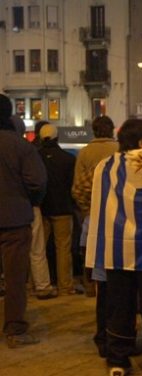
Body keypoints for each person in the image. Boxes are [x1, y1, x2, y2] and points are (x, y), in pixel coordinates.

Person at [85, 119, 142, 376]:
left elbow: (97, 206)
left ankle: (118, 359)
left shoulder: (105, 166)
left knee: (118, 305)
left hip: (116, 248)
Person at [0, 93, 47, 348]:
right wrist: (28, 200)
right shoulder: (20, 146)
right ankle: (15, 329)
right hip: (14, 220)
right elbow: (38, 182)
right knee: (16, 278)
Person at [72, 115, 119, 356]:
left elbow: (78, 188)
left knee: (97, 270)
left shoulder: (85, 153)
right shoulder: (120, 151)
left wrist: (88, 210)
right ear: (112, 130)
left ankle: (92, 291)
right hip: (120, 220)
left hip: (94, 218)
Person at [38, 124, 77, 296]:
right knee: (63, 248)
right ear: (57, 137)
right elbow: (73, 186)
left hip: (42, 208)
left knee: (38, 249)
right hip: (63, 208)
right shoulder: (68, 159)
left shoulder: (36, 157)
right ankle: (65, 286)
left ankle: (37, 284)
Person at [29, 120, 57, 299]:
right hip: (27, 206)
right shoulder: (25, 151)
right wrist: (36, 201)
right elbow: (38, 182)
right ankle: (42, 285)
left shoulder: (32, 150)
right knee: (37, 248)